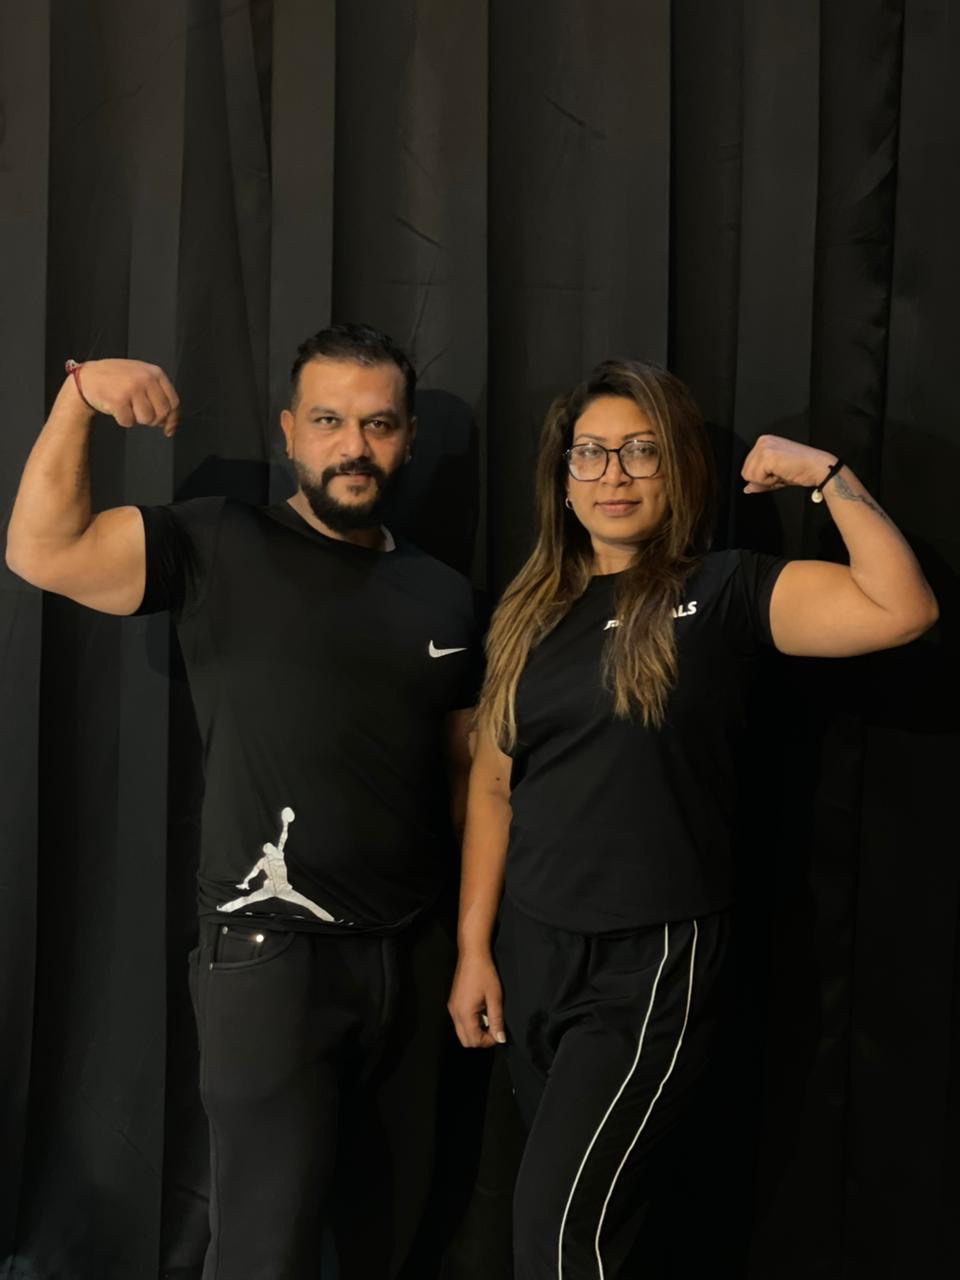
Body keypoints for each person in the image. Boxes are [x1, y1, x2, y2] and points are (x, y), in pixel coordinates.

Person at [6, 323, 482, 1280]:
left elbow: (469, 776)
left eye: (379, 424)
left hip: (410, 957)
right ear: (289, 431)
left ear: (407, 440)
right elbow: (43, 552)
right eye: (329, 421)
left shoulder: (445, 594)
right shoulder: (218, 539)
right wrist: (78, 400)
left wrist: (471, 945)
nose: (354, 445)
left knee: (393, 1242)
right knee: (265, 1251)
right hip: (269, 960)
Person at [446, 359, 938, 1279]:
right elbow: (493, 786)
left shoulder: (722, 590)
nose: (614, 474)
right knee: (580, 1229)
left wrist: (826, 476)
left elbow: (900, 609)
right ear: (563, 478)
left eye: (641, 451)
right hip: (535, 953)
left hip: (649, 963)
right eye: (591, 453)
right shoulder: (530, 611)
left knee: (558, 1239)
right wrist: (474, 946)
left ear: (676, 469)